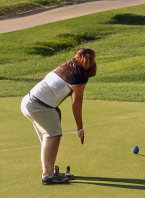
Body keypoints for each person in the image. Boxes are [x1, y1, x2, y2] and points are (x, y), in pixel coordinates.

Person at [20, 47, 97, 185]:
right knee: (53, 135)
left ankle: (49, 170)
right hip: (39, 106)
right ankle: (48, 175)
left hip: (28, 102)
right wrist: (80, 128)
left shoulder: (67, 66)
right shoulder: (79, 75)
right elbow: (76, 103)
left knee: (47, 138)